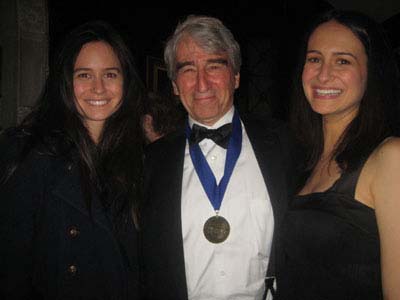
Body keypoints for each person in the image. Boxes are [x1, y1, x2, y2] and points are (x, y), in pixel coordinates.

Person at [140, 15, 297, 299]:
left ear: (236, 76)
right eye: (188, 69)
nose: (202, 83)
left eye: (214, 65)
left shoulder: (285, 144)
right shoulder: (150, 162)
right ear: (175, 85)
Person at [0, 20, 144, 299]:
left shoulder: (138, 158)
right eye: (84, 75)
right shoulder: (28, 154)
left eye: (110, 74)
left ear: (125, 81)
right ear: (65, 82)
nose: (99, 88)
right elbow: (11, 270)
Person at [276, 9, 400, 300]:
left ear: (371, 73)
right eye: (314, 59)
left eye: (342, 61)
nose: (323, 74)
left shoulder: (390, 158)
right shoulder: (301, 160)